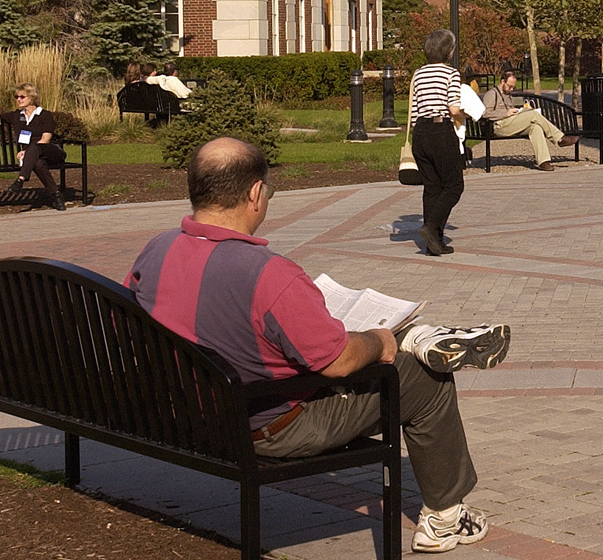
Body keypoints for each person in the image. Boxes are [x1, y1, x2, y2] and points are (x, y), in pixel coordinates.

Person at [125, 137, 507, 553]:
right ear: (255, 193)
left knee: (353, 343)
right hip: (264, 427)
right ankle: (447, 518)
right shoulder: (269, 274)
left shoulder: (156, 250)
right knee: (422, 375)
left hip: (178, 411)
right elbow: (338, 362)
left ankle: (414, 337)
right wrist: (378, 341)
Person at [411, 30, 466, 256]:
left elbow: (414, 110)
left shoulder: (418, 74)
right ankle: (431, 227)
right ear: (449, 51)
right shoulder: (451, 74)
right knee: (454, 186)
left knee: (431, 188)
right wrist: (466, 116)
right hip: (440, 130)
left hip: (421, 132)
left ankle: (434, 244)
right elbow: (453, 108)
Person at [0, 82, 67, 210]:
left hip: (51, 151)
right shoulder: (17, 116)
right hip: (33, 157)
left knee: (35, 149)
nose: (18, 100)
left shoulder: (45, 115)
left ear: (32, 98)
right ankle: (56, 195)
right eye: (17, 97)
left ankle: (21, 179)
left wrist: (27, 152)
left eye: (22, 97)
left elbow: (45, 139)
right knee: (37, 164)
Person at [481, 72, 578, 171]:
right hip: (498, 126)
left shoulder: (508, 94)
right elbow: (485, 114)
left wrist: (520, 111)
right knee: (533, 114)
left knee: (536, 127)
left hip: (510, 124)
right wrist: (506, 113)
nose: (512, 89)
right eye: (510, 86)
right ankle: (559, 139)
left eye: (513, 87)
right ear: (502, 81)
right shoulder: (491, 94)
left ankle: (543, 162)